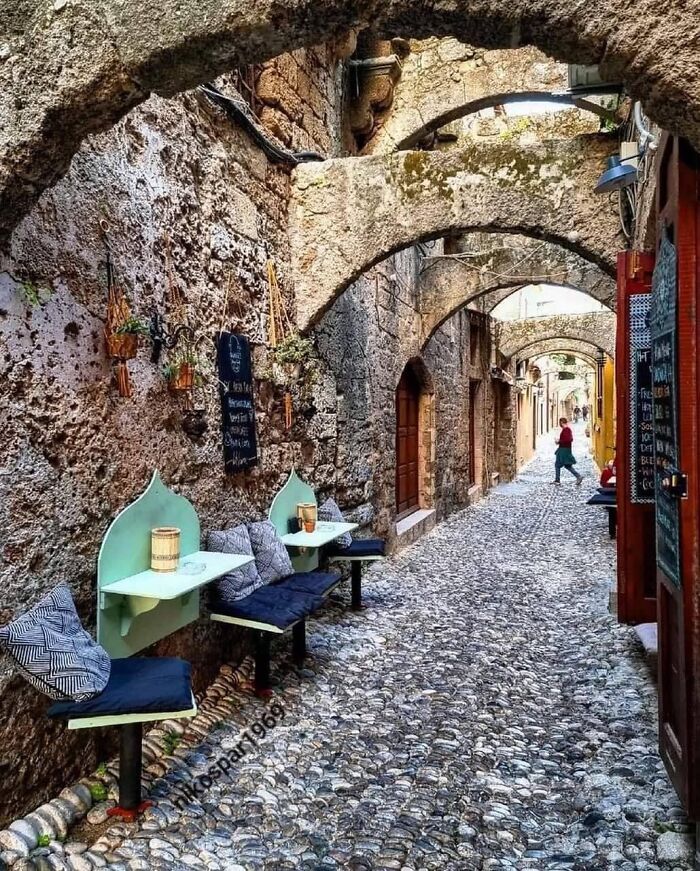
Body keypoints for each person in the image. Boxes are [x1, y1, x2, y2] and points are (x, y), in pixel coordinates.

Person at [552, 417, 583, 485]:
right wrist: (559, 441)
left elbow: (568, 440)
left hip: (564, 450)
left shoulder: (566, 430)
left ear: (561, 422)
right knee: (567, 465)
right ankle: (578, 476)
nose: (560, 424)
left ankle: (557, 480)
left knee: (557, 465)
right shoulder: (566, 429)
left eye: (560, 423)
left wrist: (559, 441)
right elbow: (568, 439)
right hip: (565, 449)